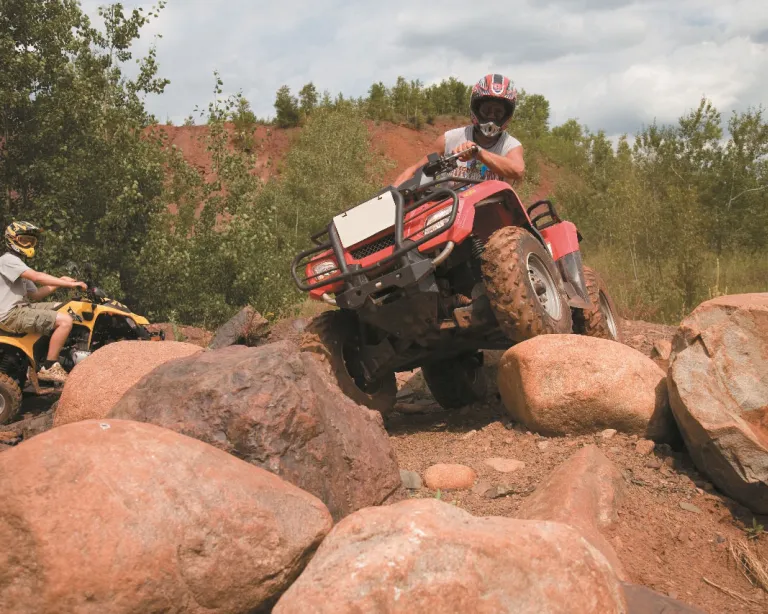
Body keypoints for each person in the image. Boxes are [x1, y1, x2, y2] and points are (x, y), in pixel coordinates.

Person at [394, 73, 525, 186]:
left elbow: (518, 170)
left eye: (498, 112)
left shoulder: (510, 145)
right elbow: (415, 170)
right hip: (452, 209)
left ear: (506, 115)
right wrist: (391, 194)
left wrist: (478, 153)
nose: (491, 116)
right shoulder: (449, 139)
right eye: (486, 110)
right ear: (476, 108)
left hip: (491, 211)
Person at [0, 221, 87, 375]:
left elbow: (36, 294)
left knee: (67, 307)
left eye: (31, 241)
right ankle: (49, 366)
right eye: (24, 240)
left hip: (20, 309)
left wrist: (61, 281)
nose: (28, 244)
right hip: (10, 315)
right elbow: (37, 277)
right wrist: (68, 284)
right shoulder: (8, 260)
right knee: (65, 321)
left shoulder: (19, 265)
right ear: (12, 239)